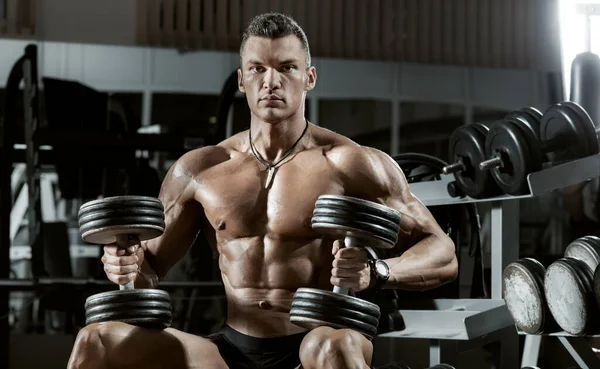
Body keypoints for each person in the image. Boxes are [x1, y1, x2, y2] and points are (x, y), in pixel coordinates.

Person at [67, 12, 458, 369]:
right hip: (230, 349)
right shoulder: (201, 169)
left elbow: (442, 252)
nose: (271, 81)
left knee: (331, 348)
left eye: (287, 68)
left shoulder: (351, 163)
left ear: (309, 77)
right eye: (258, 69)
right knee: (96, 341)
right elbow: (148, 269)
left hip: (316, 342)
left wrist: (378, 271)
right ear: (242, 80)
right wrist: (124, 264)